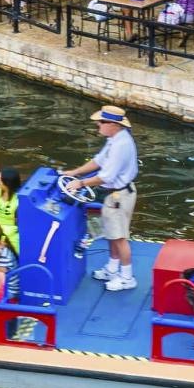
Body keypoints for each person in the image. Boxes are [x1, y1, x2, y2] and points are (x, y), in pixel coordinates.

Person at [63, 104, 141, 291]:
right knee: (112, 234)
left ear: (113, 124)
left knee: (120, 237)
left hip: (119, 195)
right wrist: (75, 172)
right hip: (114, 195)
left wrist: (80, 183)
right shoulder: (115, 139)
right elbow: (98, 161)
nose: (98, 124)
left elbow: (106, 176)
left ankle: (127, 277)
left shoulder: (121, 145)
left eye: (101, 122)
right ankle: (113, 269)